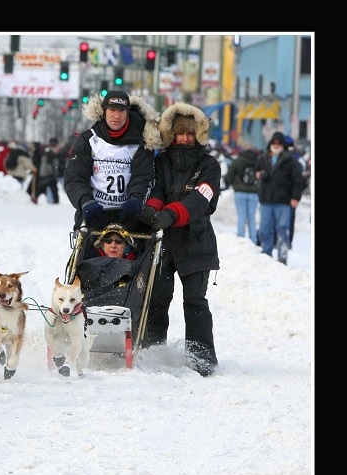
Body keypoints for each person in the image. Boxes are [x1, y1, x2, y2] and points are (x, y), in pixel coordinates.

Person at [138, 102, 220, 377]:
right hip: (164, 242)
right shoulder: (161, 161)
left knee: (195, 301)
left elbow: (202, 200)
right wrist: (153, 208)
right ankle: (152, 352)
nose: (185, 138)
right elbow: (159, 190)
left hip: (196, 241)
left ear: (199, 134)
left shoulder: (210, 165)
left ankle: (201, 358)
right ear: (171, 134)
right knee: (157, 299)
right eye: (180, 133)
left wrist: (172, 213)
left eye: (190, 133)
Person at [64, 90, 162, 231]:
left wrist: (135, 199)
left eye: (121, 111)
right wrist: (85, 201)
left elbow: (142, 176)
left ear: (127, 113)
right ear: (104, 112)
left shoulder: (143, 142)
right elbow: (75, 177)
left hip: (129, 214)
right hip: (94, 213)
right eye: (112, 110)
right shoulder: (88, 140)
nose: (117, 116)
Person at [254, 131, 305, 265]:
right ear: (271, 144)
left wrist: (296, 197)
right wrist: (258, 175)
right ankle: (266, 254)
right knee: (265, 229)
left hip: (283, 201)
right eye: (274, 143)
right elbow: (256, 172)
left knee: (282, 229)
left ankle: (282, 256)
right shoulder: (264, 157)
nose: (276, 145)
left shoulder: (290, 160)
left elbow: (298, 181)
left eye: (279, 143)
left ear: (283, 145)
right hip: (266, 200)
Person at [225, 143, 261, 244]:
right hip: (253, 193)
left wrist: (235, 185)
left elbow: (229, 176)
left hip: (240, 193)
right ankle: (253, 240)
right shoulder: (258, 161)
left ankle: (240, 239)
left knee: (241, 217)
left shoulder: (238, 161)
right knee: (251, 218)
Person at [32, 138, 61, 204]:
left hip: (44, 173)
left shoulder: (45, 152)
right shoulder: (51, 153)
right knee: (52, 188)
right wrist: (54, 173)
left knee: (43, 186)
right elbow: (54, 164)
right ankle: (55, 201)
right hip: (49, 174)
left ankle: (36, 197)